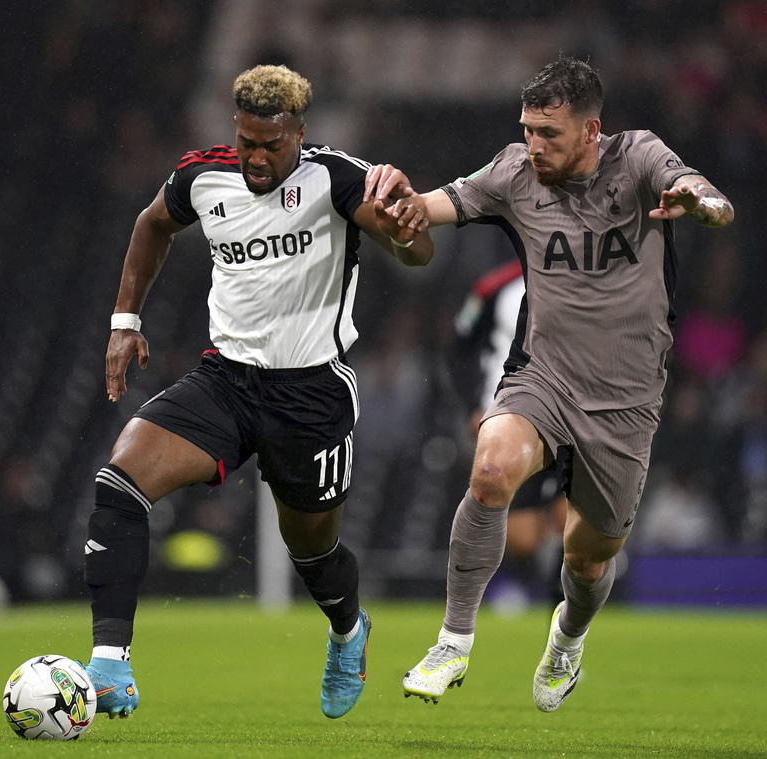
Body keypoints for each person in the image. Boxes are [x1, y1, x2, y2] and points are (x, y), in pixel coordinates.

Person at [365, 55, 734, 712]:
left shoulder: (640, 157)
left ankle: (568, 635)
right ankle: (453, 640)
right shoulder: (512, 170)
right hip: (545, 377)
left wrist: (701, 203)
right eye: (529, 128)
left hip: (626, 399)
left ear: (592, 132)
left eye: (550, 133)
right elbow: (432, 206)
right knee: (491, 469)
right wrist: (393, 204)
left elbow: (708, 195)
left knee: (588, 560)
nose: (535, 145)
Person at [83, 64, 433, 721]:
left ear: (300, 132)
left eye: (272, 144)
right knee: (119, 481)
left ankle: (348, 631)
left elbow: (418, 255)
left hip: (311, 392)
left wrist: (406, 222)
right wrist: (125, 321)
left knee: (313, 552)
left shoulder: (335, 177)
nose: (257, 158)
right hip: (227, 380)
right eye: (247, 141)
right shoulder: (202, 176)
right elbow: (151, 225)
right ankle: (108, 664)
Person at [451, 260, 566, 610]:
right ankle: (525, 580)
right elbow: (460, 348)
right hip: (509, 414)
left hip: (571, 413)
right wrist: (473, 403)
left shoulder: (585, 280)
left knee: (571, 520)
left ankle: (562, 624)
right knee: (523, 538)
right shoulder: (493, 287)